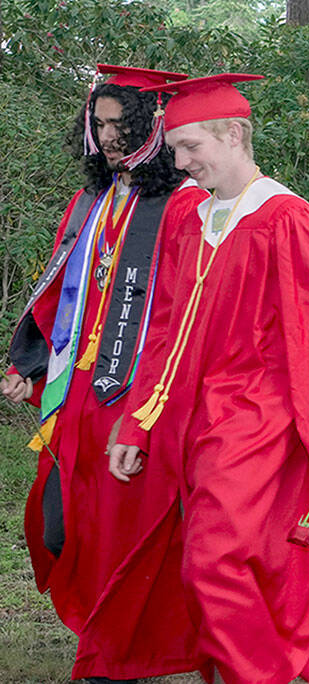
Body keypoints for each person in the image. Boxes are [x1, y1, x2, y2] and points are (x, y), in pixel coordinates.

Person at [108, 74, 309, 684]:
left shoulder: (284, 219)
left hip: (262, 414)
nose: (180, 162)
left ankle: (262, 674)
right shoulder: (191, 220)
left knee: (214, 560)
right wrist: (137, 421)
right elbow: (165, 329)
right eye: (174, 148)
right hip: (194, 417)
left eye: (191, 146)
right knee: (254, 556)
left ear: (233, 134)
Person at [3, 65, 204, 684]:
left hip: (136, 395)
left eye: (122, 123)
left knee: (122, 529)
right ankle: (108, 640)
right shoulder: (92, 199)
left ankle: (114, 654)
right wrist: (26, 361)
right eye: (100, 122)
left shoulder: (186, 206)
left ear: (154, 126)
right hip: (75, 396)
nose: (109, 136)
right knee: (64, 525)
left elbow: (184, 311)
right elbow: (59, 287)